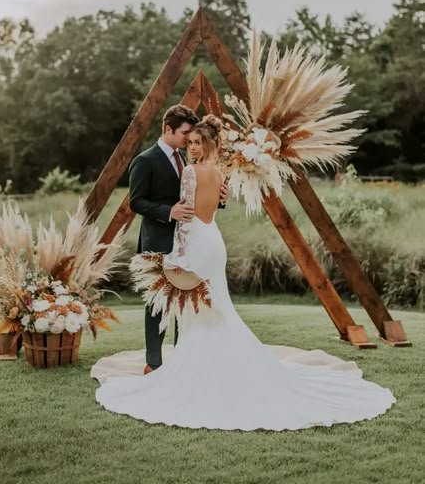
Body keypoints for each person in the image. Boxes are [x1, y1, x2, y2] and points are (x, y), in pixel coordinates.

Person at [92, 115, 395, 431]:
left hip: (193, 241)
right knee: (213, 308)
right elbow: (178, 204)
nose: (190, 145)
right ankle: (194, 365)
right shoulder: (214, 171)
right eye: (188, 139)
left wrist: (176, 258)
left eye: (195, 141)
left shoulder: (191, 171)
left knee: (200, 309)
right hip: (212, 241)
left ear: (207, 144)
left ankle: (194, 370)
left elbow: (185, 223)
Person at [127, 104, 228, 374]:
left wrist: (219, 199)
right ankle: (153, 363)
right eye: (185, 133)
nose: (188, 139)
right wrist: (168, 212)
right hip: (157, 241)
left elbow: (194, 199)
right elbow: (135, 202)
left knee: (185, 303)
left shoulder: (188, 161)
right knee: (157, 305)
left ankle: (182, 358)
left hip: (190, 242)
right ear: (167, 129)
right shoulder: (145, 160)